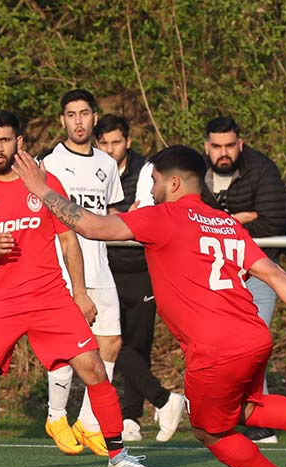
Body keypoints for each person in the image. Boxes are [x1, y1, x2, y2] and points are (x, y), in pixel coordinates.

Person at [13, 144, 286, 467]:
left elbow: (91, 226)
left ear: (174, 183)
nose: (151, 190)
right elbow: (273, 272)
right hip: (253, 336)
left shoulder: (164, 216)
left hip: (214, 348)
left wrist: (41, 189)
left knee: (209, 431)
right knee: (247, 407)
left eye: (155, 181)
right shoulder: (225, 222)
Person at [0, 110, 150, 467]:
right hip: (1, 302)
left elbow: (69, 240)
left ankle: (118, 454)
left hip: (50, 297)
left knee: (94, 367)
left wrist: (80, 293)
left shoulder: (46, 184)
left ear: (19, 142)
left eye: (5, 139)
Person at [36, 89, 125, 457]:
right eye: (71, 114)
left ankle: (88, 422)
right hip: (61, 266)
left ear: (94, 118)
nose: (78, 121)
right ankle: (56, 416)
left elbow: (110, 213)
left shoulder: (107, 164)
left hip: (99, 266)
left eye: (84, 113)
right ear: (62, 120)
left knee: (111, 341)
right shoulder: (49, 163)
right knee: (67, 346)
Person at [94, 114, 185, 442]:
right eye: (104, 143)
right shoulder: (92, 171)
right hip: (104, 267)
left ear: (128, 142)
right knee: (105, 340)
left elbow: (147, 215)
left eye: (116, 142)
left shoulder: (147, 170)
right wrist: (117, 216)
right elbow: (98, 215)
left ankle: (131, 417)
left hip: (143, 268)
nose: (110, 148)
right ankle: (163, 399)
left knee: (137, 343)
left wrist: (114, 217)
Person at [201, 117, 286, 445]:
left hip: (258, 273)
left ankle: (262, 422)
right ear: (206, 147)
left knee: (252, 343)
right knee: (218, 347)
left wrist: (224, 226)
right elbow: (189, 220)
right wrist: (237, 220)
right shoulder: (197, 173)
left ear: (240, 144)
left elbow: (274, 222)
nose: (223, 152)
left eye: (229, 145)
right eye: (216, 146)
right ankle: (232, 417)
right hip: (216, 274)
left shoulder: (262, 170)